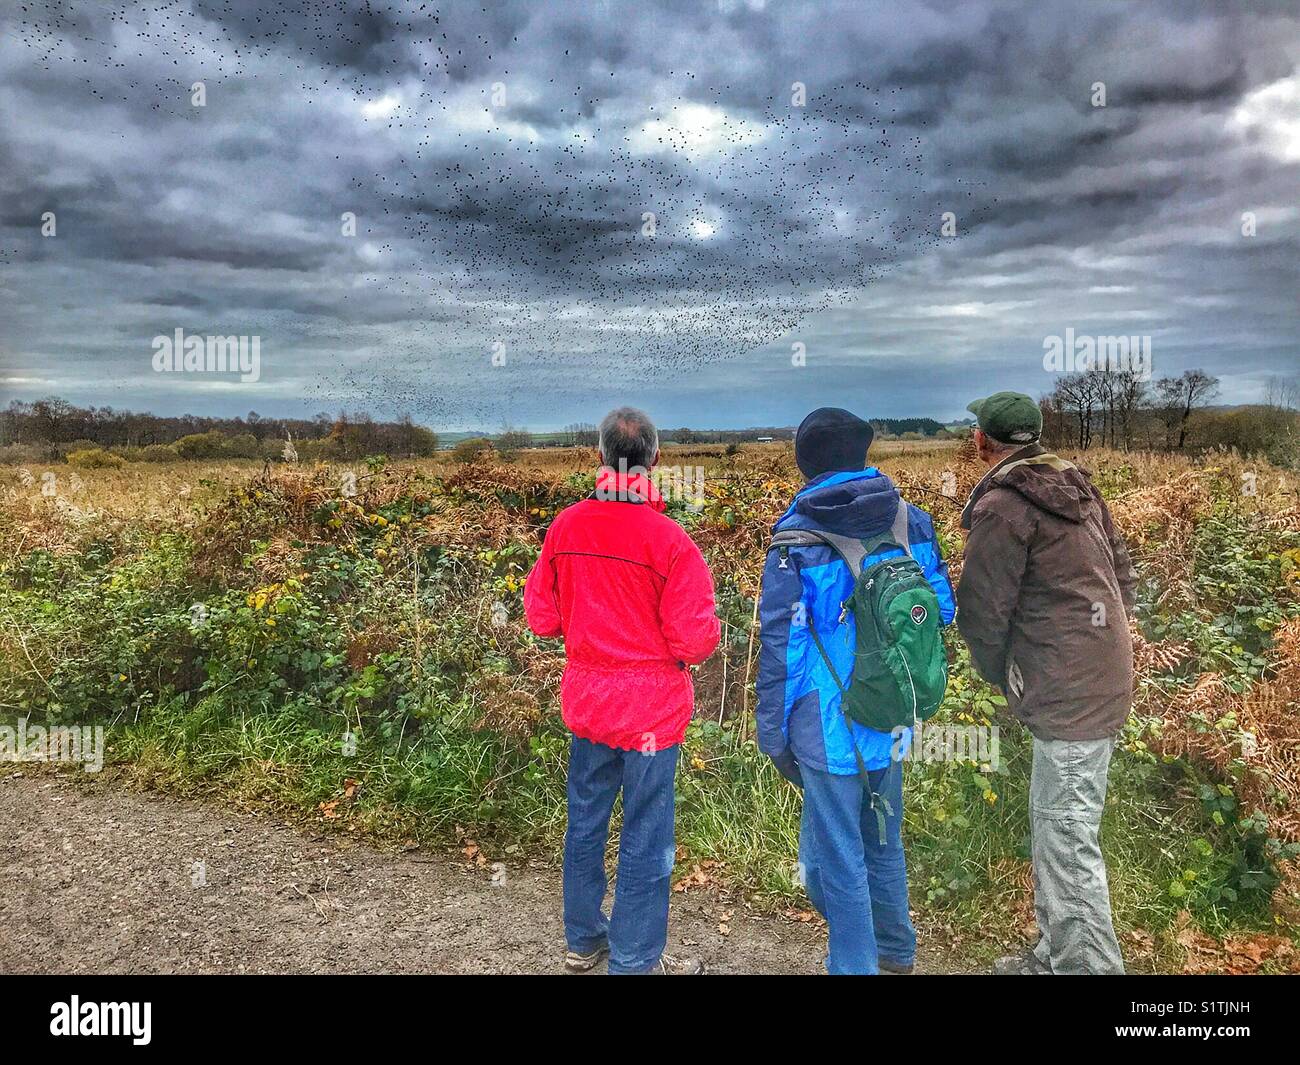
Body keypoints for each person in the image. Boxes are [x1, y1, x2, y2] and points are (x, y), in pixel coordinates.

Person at [756, 407, 955, 975]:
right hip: (893, 709)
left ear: (804, 464)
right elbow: (940, 608)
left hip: (825, 727)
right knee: (882, 843)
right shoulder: (911, 524)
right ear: (864, 453)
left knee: (834, 864)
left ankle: (856, 964)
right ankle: (895, 953)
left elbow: (782, 652)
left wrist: (772, 735)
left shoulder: (794, 543)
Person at [524, 406, 720, 975]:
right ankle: (634, 957)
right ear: (655, 460)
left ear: (600, 456)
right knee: (647, 834)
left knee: (585, 822)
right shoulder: (671, 542)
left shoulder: (566, 528)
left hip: (589, 707)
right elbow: (693, 641)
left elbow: (542, 618)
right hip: (651, 718)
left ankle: (583, 939)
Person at [956, 391, 1137, 976]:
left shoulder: (1004, 507)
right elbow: (1123, 574)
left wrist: (1005, 675)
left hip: (1067, 688)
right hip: (1092, 673)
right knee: (1058, 827)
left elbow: (982, 612)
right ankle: (1056, 957)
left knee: (1066, 841)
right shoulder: (1075, 487)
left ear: (983, 441)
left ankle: (1086, 969)